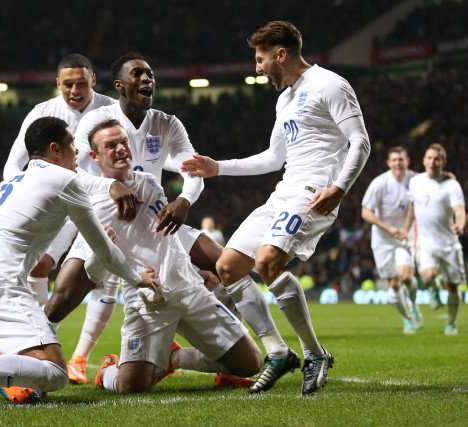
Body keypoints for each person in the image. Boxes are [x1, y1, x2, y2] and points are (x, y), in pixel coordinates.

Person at [47, 52, 293, 391]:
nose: (147, 79)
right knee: (64, 294)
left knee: (225, 263)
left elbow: (191, 169)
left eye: (150, 73)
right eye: (138, 74)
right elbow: (71, 173)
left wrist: (184, 200)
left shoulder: (165, 129)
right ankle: (36, 357)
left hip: (157, 219)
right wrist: (110, 185)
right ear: (119, 85)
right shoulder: (96, 121)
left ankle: (234, 348)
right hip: (100, 215)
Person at [0, 117, 157, 408]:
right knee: (55, 373)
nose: (76, 151)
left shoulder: (10, 182)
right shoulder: (65, 181)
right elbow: (104, 250)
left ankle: (14, 385)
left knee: (20, 373)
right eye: (72, 144)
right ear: (55, 148)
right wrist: (138, 278)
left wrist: (108, 186)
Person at [181, 20, 371, 396]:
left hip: (314, 191)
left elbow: (360, 142)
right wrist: (219, 167)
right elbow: (273, 157)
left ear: (280, 55)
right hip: (283, 192)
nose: (257, 67)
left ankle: (315, 353)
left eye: (260, 59)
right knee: (228, 266)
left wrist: (338, 188)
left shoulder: (330, 85)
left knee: (268, 261)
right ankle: (277, 351)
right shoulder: (284, 99)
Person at [85, 119, 262, 393]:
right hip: (149, 300)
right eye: (110, 145)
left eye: (123, 142)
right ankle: (108, 372)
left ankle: (174, 358)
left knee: (251, 362)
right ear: (94, 157)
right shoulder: (97, 206)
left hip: (189, 289)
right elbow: (92, 271)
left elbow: (166, 238)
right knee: (131, 387)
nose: (120, 149)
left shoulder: (150, 182)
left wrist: (192, 269)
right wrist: (120, 266)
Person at [2, 54, 118, 313]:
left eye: (81, 83)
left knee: (112, 269)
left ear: (94, 80)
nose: (74, 91)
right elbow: (12, 166)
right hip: (60, 203)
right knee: (39, 264)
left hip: (104, 202)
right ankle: (42, 334)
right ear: (57, 83)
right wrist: (27, 196)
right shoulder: (43, 113)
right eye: (68, 84)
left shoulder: (113, 110)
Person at [403, 143, 465, 335]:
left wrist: (460, 224)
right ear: (423, 160)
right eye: (429, 158)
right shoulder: (415, 182)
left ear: (443, 162)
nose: (432, 162)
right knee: (427, 275)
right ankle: (434, 289)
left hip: (449, 243)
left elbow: (460, 211)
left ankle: (451, 322)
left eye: (436, 159)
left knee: (453, 286)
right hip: (426, 241)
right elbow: (412, 209)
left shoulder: (451, 185)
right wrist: (406, 229)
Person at [361, 146, 423, 334]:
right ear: (389, 163)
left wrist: (404, 229)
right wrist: (388, 228)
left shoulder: (416, 180)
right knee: (394, 283)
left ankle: (413, 306)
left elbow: (432, 187)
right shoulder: (379, 183)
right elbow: (366, 212)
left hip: (405, 235)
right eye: (394, 160)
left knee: (406, 276)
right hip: (383, 239)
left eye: (401, 159)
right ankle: (407, 320)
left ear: (407, 161)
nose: (398, 163)